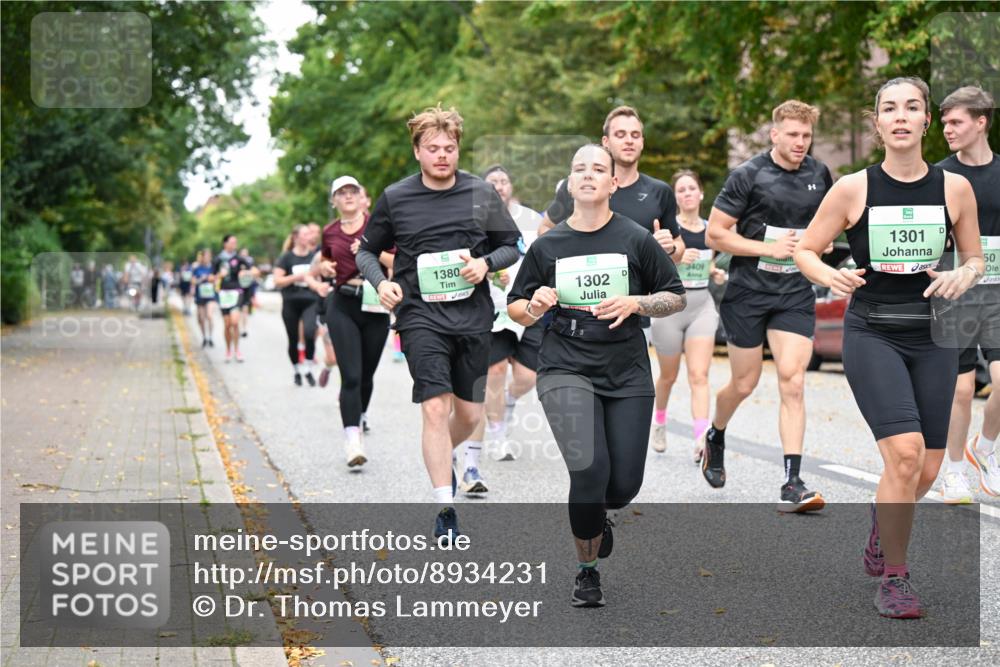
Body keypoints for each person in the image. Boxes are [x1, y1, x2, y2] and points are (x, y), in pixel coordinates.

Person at [795, 76, 983, 619]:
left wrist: (963, 275)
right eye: (890, 109)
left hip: (934, 334)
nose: (901, 116)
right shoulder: (853, 189)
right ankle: (895, 578)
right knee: (903, 454)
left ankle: (884, 518)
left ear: (926, 120)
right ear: (876, 123)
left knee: (925, 469)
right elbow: (806, 250)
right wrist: (829, 276)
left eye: (912, 107)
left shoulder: (955, 189)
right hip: (873, 330)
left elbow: (974, 258)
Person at [508, 144, 686, 607]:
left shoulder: (635, 239)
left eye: (598, 169)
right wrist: (535, 305)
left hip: (626, 367)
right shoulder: (548, 246)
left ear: (613, 183)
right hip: (564, 364)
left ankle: (597, 516)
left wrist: (637, 302)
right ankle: (587, 572)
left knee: (622, 487)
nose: (588, 175)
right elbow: (516, 307)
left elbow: (675, 295)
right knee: (589, 469)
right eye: (579, 169)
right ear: (569, 184)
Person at [356, 105, 521, 542]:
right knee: (434, 407)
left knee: (468, 415)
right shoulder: (396, 197)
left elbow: (512, 245)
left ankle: (442, 452)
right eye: (433, 148)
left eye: (449, 148)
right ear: (417, 152)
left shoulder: (480, 193)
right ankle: (444, 505)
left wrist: (485, 264)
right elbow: (367, 251)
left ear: (458, 149)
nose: (442, 155)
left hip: (472, 318)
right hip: (420, 317)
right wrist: (381, 283)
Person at [703, 99, 833, 512]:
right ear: (775, 134)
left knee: (793, 380)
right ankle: (716, 434)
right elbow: (715, 234)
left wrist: (822, 242)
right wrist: (768, 248)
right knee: (744, 383)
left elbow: (827, 225)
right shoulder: (748, 175)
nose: (800, 142)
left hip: (794, 292)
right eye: (792, 134)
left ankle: (792, 482)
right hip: (748, 292)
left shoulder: (819, 174)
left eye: (806, 135)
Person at [455, 165, 544, 472]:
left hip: (528, 304)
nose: (499, 186)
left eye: (504, 181)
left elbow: (543, 255)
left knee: (527, 377)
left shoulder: (530, 219)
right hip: (492, 307)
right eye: (492, 182)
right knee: (494, 370)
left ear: (511, 186)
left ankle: (507, 402)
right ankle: (497, 432)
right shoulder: (473, 221)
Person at [936, 85, 1000, 502]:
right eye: (944, 122)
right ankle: (955, 471)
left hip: (998, 294)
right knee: (960, 390)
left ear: (981, 122)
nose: (947, 129)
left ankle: (986, 447)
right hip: (955, 296)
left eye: (955, 122)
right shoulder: (940, 177)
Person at [315, 175, 393, 466]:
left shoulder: (379, 226)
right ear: (333, 200)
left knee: (366, 375)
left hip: (375, 303)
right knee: (350, 376)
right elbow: (325, 260)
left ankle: (359, 416)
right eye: (341, 192)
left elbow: (398, 261)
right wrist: (325, 267)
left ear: (362, 197)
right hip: (342, 303)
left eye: (352, 191)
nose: (347, 196)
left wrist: (369, 250)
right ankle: (353, 441)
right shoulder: (330, 232)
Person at [649, 170, 726, 459]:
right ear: (675, 198)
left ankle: (700, 440)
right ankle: (659, 421)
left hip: (701, 305)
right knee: (668, 376)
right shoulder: (669, 231)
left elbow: (709, 262)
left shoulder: (709, 230)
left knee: (699, 375)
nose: (687, 194)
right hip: (670, 307)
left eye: (692, 188)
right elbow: (653, 268)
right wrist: (679, 261)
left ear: (701, 193)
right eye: (680, 190)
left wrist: (714, 272)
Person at [274, 225, 323, 386]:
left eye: (310, 234)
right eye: (305, 234)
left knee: (309, 333)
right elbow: (277, 281)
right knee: (293, 339)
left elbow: (320, 277)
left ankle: (308, 368)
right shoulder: (286, 258)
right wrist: (296, 277)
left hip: (310, 301)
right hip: (291, 302)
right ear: (296, 237)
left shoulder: (314, 257)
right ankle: (296, 370)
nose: (309, 236)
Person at [212, 235, 255, 362]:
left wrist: (245, 273)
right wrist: (219, 275)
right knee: (227, 324)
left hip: (237, 292)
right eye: (232, 242)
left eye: (236, 242)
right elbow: (210, 277)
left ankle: (237, 350)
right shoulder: (218, 259)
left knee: (235, 322)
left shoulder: (239, 258)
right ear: (225, 244)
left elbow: (254, 270)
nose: (234, 244)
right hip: (224, 294)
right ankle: (228, 350)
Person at [192, 249, 216, 347]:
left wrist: (212, 279)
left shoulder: (213, 268)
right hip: (200, 296)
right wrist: (200, 279)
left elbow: (217, 279)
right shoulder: (197, 268)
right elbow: (193, 281)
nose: (207, 258)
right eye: (205, 256)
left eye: (209, 256)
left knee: (209, 316)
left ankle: (210, 337)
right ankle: (204, 337)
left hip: (211, 295)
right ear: (202, 257)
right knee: (201, 318)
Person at [237, 247, 256, 338]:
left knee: (245, 310)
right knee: (238, 310)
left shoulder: (250, 262)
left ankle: (244, 329)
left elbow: (255, 272)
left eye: (246, 253)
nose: (244, 254)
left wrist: (247, 272)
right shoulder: (236, 262)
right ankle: (238, 328)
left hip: (247, 289)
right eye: (243, 253)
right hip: (238, 289)